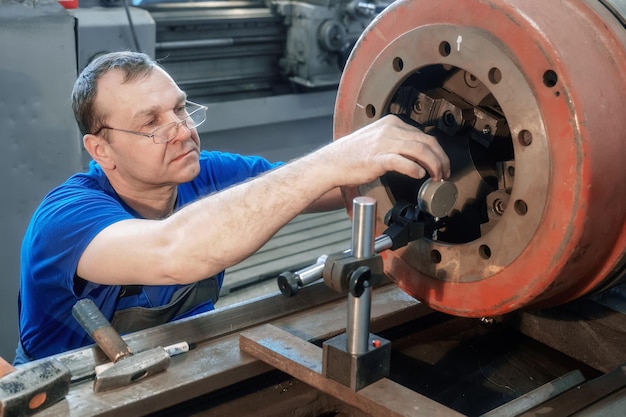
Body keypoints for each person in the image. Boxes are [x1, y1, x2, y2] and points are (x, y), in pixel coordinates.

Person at [15, 51, 450, 364]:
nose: (183, 131)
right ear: (101, 149)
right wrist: (333, 160)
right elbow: (172, 253)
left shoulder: (206, 172)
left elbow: (328, 187)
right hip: (69, 394)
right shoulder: (65, 218)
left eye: (181, 109)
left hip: (177, 364)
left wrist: (424, 152)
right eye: (152, 123)